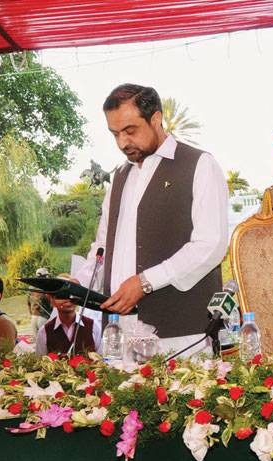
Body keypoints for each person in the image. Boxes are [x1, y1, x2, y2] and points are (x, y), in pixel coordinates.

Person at [76, 84, 228, 355]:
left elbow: (210, 245)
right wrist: (79, 284)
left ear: (156, 118)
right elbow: (102, 247)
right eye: (115, 134)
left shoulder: (200, 164)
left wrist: (146, 281)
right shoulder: (120, 176)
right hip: (120, 335)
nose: (123, 142)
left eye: (130, 131)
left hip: (181, 336)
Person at [35, 274, 101, 356]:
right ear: (52, 300)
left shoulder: (93, 327)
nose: (68, 300)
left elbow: (102, 361)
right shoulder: (44, 332)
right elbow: (40, 363)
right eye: (62, 295)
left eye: (72, 294)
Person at [28, 267, 53, 337]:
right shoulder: (46, 288)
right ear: (44, 276)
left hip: (33, 318)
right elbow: (51, 305)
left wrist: (32, 314)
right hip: (43, 318)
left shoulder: (31, 288)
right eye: (46, 276)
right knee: (47, 343)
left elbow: (28, 303)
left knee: (37, 344)